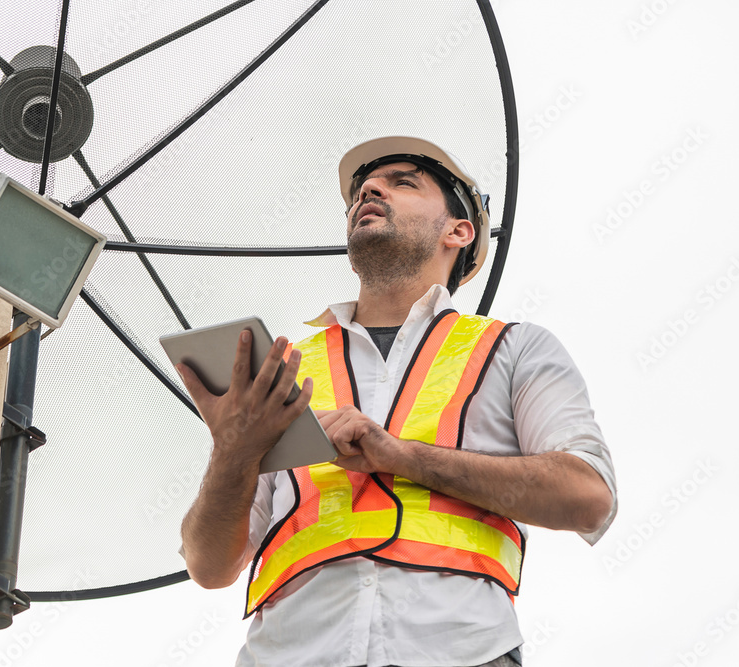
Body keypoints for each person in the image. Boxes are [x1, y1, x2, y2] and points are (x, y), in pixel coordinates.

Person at [175, 136, 617, 667]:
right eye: (362, 190)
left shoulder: (515, 347)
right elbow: (209, 565)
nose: (370, 191)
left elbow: (588, 496)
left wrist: (400, 456)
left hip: (461, 650)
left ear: (459, 231)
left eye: (402, 182)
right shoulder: (283, 368)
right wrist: (233, 452)